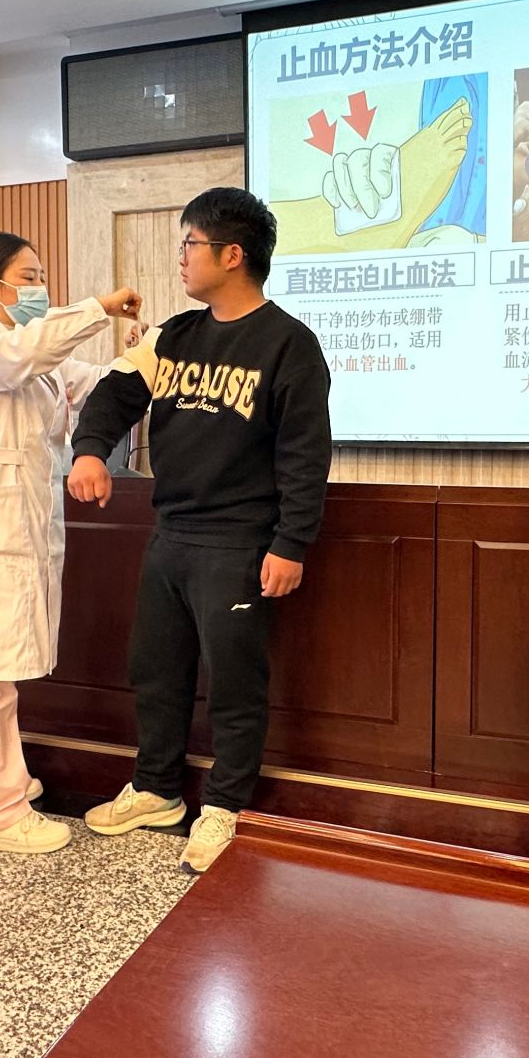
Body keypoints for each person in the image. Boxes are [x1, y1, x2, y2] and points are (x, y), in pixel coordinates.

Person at [69, 188, 332, 873]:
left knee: (235, 684)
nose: (180, 257)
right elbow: (113, 394)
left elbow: (305, 456)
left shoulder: (290, 345)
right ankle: (157, 789)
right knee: (156, 671)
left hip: (240, 544)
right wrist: (90, 450)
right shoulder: (173, 335)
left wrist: (291, 543)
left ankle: (224, 806)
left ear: (232, 254)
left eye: (189, 243)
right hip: (171, 536)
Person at [0, 232, 142, 855]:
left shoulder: (35, 358)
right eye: (29, 277)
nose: (40, 288)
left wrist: (139, 354)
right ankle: (0, 814)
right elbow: (25, 353)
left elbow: (96, 381)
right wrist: (100, 308)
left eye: (42, 276)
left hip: (20, 514)